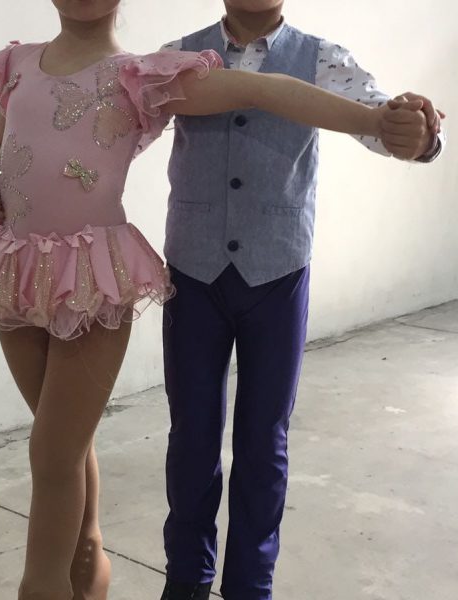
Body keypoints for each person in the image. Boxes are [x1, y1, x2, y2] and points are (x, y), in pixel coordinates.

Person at [0, 1, 425, 599]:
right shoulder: (34, 62)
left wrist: (381, 120)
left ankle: (69, 586)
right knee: (75, 441)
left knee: (71, 452)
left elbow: (267, 90)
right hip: (35, 270)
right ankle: (125, 566)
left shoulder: (147, 75)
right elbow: (5, 151)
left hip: (151, 276)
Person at [158, 1, 445, 599]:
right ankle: (186, 579)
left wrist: (416, 133)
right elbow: (113, 131)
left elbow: (383, 122)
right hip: (193, 271)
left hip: (278, 271)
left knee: (265, 440)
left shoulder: (322, 58)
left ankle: (250, 586)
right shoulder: (175, 56)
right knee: (191, 435)